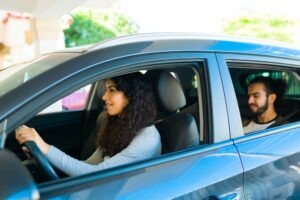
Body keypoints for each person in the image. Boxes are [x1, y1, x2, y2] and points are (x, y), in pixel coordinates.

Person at [15, 72, 161, 176]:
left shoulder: (147, 139)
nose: (104, 97)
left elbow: (95, 174)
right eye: (105, 90)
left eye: (112, 90)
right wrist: (44, 154)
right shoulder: (119, 125)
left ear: (133, 96)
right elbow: (90, 164)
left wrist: (45, 147)